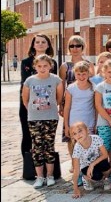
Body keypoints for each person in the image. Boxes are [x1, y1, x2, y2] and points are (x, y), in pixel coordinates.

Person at [21, 54, 63, 188]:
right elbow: (25, 99)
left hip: (50, 117)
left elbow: (58, 97)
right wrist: (33, 110)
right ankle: (39, 176)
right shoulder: (30, 81)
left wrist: (50, 108)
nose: (42, 68)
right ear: (35, 67)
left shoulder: (56, 80)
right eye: (39, 66)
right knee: (37, 147)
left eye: (45, 65)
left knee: (49, 146)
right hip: (34, 118)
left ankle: (50, 175)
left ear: (50, 66)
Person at [20, 34, 57, 155]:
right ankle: (29, 167)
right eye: (37, 42)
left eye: (43, 42)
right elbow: (25, 84)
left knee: (47, 138)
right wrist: (29, 104)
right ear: (33, 45)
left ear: (48, 45)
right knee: (27, 134)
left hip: (47, 105)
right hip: (29, 104)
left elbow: (54, 84)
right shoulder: (26, 62)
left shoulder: (53, 63)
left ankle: (46, 166)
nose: (40, 44)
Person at [64, 61, 96, 173]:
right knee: (75, 146)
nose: (81, 77)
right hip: (74, 120)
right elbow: (67, 107)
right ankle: (76, 167)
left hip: (89, 120)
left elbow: (96, 106)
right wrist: (66, 125)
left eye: (84, 74)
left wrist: (96, 122)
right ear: (74, 74)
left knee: (89, 145)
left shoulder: (93, 87)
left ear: (88, 73)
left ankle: (89, 169)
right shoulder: (71, 88)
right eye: (78, 74)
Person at [70, 121, 111, 197]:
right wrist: (75, 189)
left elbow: (105, 155)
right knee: (97, 176)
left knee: (106, 165)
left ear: (87, 130)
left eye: (80, 131)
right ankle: (85, 178)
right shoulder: (77, 148)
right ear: (73, 137)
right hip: (86, 167)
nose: (78, 135)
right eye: (74, 134)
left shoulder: (96, 138)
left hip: (97, 162)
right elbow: (76, 170)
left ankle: (106, 179)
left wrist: (92, 164)